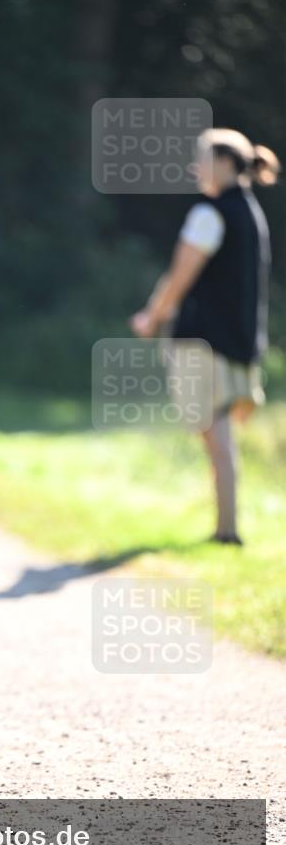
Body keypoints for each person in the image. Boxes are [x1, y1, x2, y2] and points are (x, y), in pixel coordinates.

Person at [130, 128, 281, 545]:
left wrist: (150, 317)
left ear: (228, 164)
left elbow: (179, 277)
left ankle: (227, 530)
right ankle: (226, 525)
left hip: (203, 343)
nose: (195, 166)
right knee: (219, 434)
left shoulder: (209, 214)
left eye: (202, 157)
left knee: (214, 434)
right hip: (239, 344)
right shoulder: (251, 213)